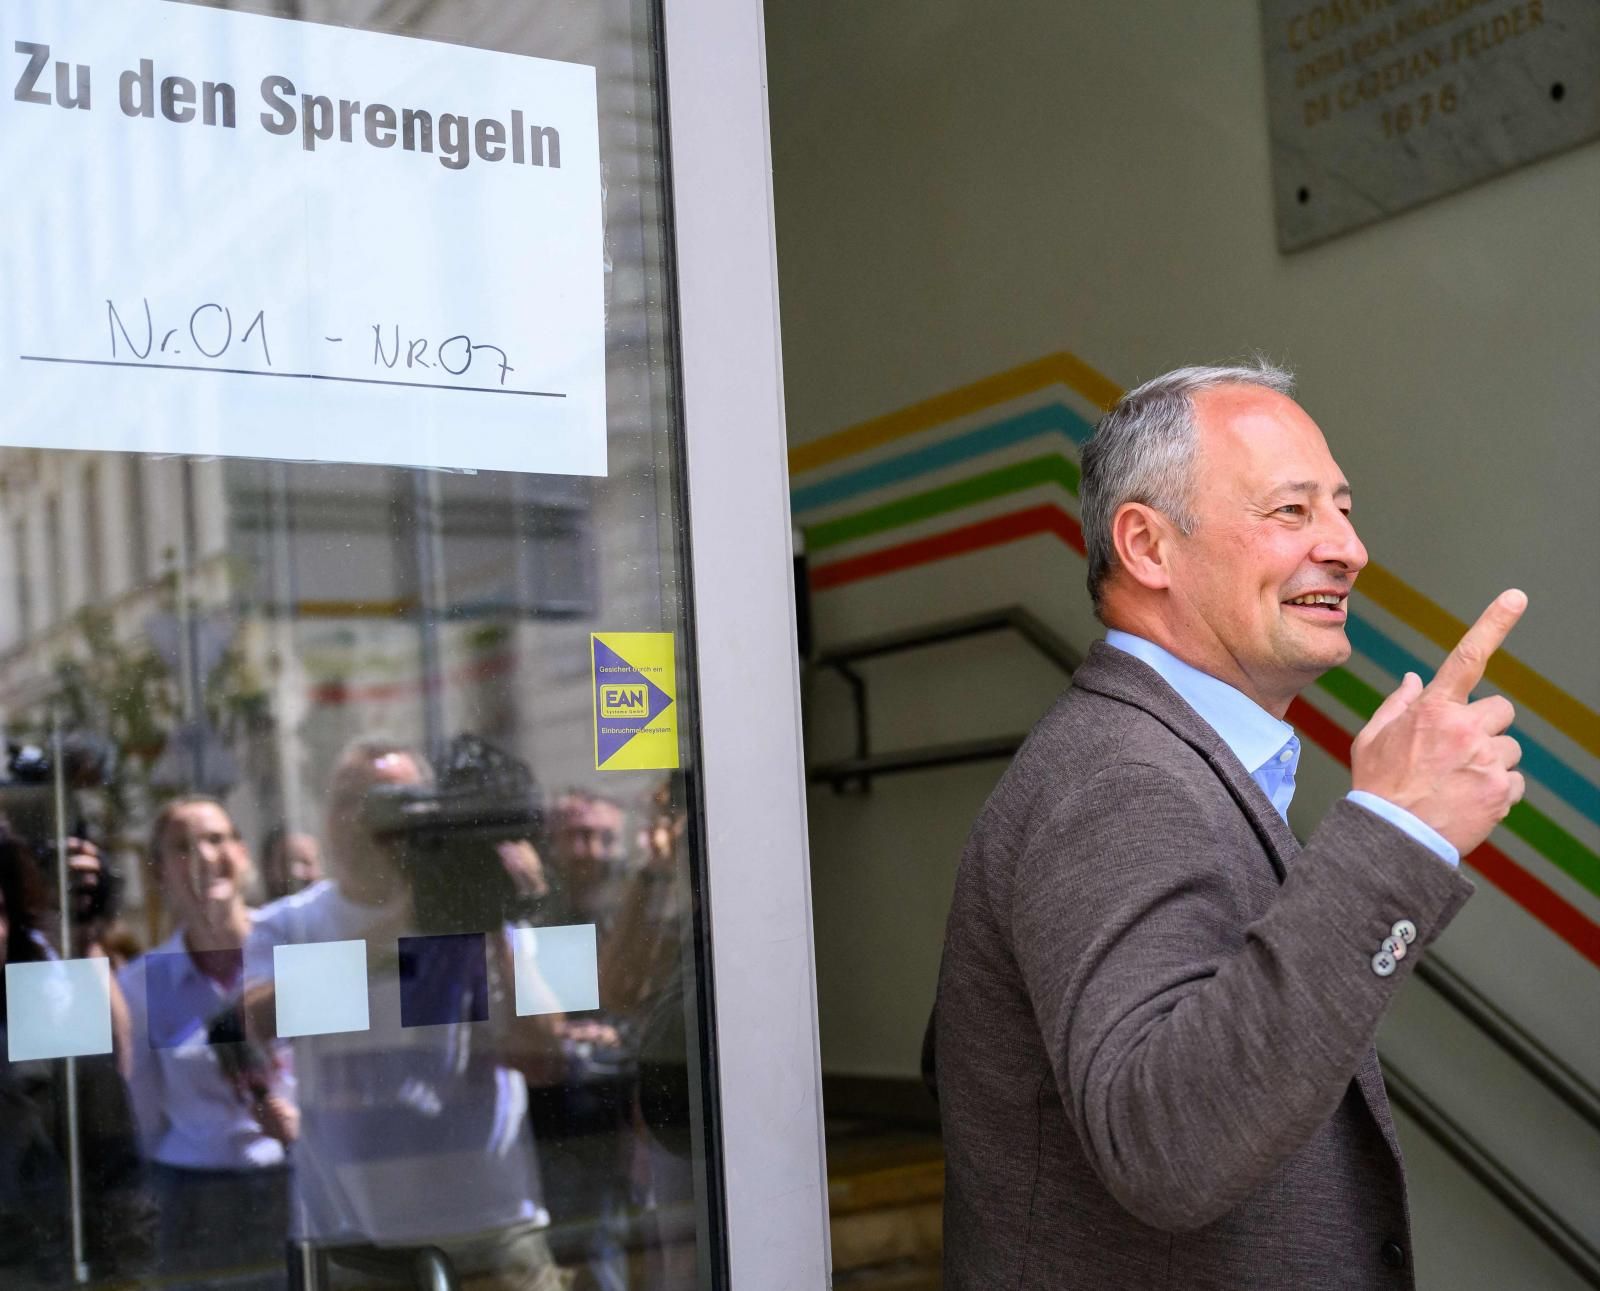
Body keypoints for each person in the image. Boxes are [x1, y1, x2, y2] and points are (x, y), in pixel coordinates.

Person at [935, 362, 1526, 1289]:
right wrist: (1395, 830)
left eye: (1341, 507)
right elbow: (1168, 1146)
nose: (1349, 547)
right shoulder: (1121, 779)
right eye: (1292, 512)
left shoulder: (1154, 757)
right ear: (1147, 546)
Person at [242, 736, 572, 1290]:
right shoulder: (291, 924)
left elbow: (544, 1057)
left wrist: (490, 921)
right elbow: (253, 1023)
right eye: (352, 801)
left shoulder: (472, 914)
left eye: (395, 804)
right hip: (352, 1237)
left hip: (489, 1228)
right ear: (325, 816)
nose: (370, 823)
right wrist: (395, 932)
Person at [117, 796, 296, 1289]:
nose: (202, 856)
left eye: (216, 839)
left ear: (242, 854)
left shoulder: (293, 949)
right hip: (193, 1200)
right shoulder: (140, 983)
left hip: (296, 1179)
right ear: (158, 873)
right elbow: (145, 1111)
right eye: (181, 846)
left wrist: (304, 1124)